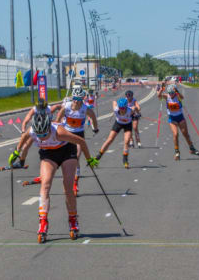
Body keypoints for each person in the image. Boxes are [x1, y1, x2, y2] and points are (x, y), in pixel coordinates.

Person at [8, 110, 99, 243]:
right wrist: (16, 152)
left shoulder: (59, 132)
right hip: (48, 154)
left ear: (48, 128)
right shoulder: (32, 130)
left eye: (45, 134)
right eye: (40, 135)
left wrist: (89, 159)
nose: (42, 137)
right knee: (45, 185)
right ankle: (43, 222)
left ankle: (73, 220)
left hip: (67, 151)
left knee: (68, 187)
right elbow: (23, 139)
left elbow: (82, 142)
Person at [13, 98, 61, 170]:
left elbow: (59, 106)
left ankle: (57, 159)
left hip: (48, 129)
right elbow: (25, 121)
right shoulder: (34, 110)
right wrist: (23, 131)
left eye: (42, 108)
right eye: (39, 108)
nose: (41, 110)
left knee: (53, 144)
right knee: (25, 146)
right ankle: (21, 162)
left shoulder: (50, 109)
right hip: (37, 129)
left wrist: (60, 118)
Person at [157, 84, 199, 160]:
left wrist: (177, 92)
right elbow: (159, 96)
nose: (171, 95)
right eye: (170, 93)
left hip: (180, 118)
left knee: (185, 134)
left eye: (172, 93)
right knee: (175, 134)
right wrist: (161, 89)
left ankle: (192, 148)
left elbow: (182, 97)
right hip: (172, 119)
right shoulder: (167, 96)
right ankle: (177, 152)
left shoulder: (177, 96)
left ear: (175, 92)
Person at [95, 98, 138, 169]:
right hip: (118, 124)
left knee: (127, 141)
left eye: (123, 108)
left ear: (126, 106)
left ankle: (125, 159)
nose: (121, 109)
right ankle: (98, 157)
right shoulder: (116, 109)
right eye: (120, 107)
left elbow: (135, 107)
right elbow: (114, 101)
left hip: (127, 125)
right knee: (110, 139)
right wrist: (117, 102)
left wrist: (137, 113)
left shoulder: (130, 111)